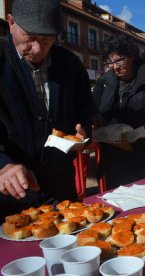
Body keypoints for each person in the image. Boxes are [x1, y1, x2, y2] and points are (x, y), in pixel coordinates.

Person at [0, 0, 97, 220]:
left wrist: (83, 134)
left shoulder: (70, 64)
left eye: (46, 40)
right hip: (7, 199)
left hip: (59, 190)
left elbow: (85, 111)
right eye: (30, 38)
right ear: (12, 23)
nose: (37, 49)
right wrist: (3, 166)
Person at [93, 34, 145, 189]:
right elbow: (93, 110)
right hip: (112, 160)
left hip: (144, 159)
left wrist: (133, 146)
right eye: (109, 61)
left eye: (119, 60)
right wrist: (96, 118)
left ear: (131, 56)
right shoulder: (104, 83)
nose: (115, 66)